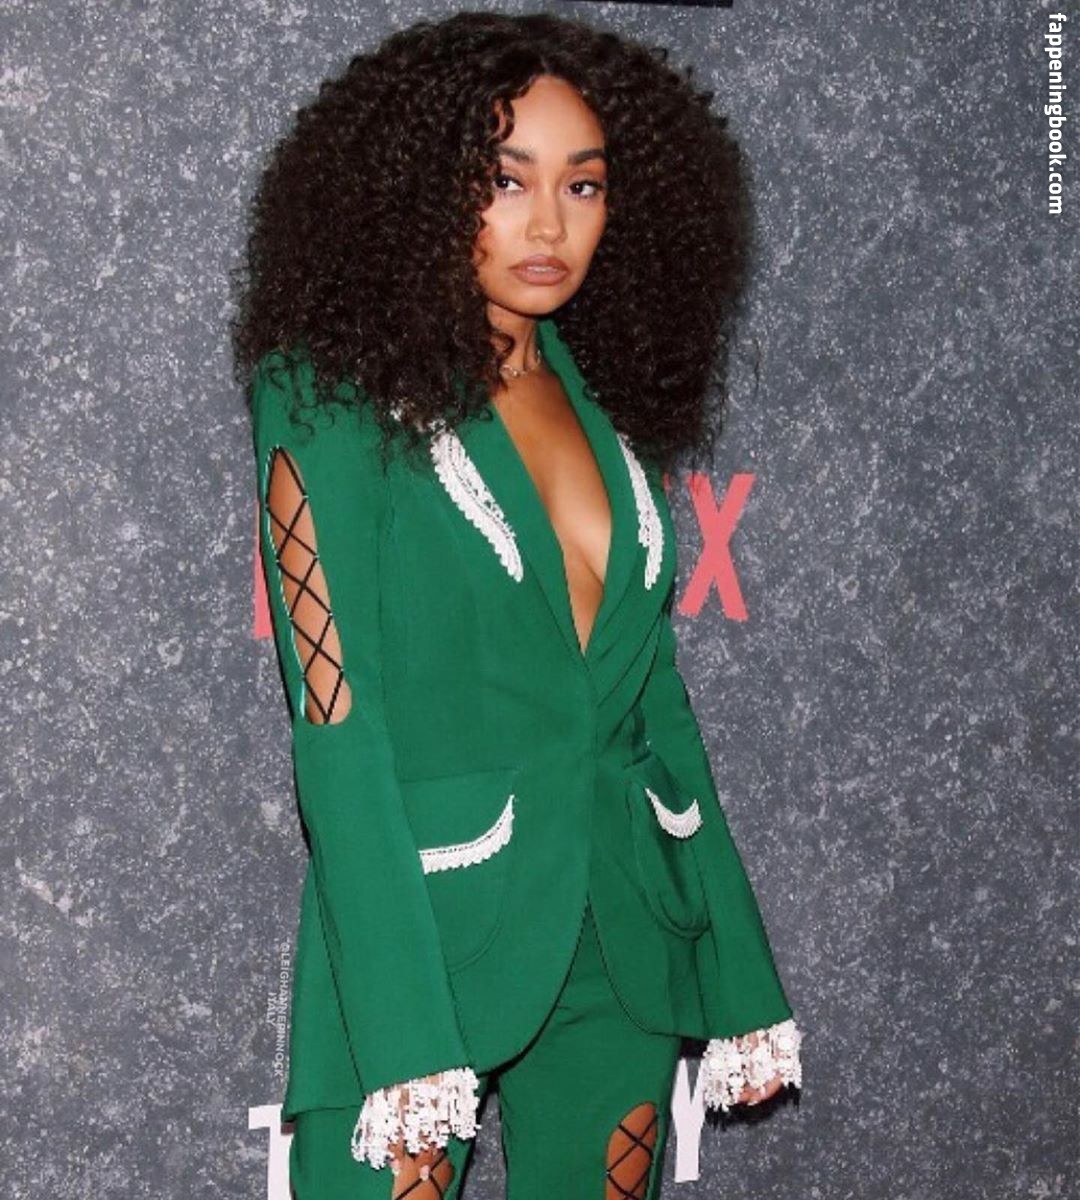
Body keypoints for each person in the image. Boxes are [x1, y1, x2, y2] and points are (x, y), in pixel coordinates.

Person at [231, 11, 803, 1199]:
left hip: (626, 942)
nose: (550, 223)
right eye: (505, 179)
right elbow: (337, 728)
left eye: (582, 184)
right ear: (418, 191)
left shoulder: (607, 398)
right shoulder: (328, 396)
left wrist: (739, 976)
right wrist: (400, 1035)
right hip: (426, 940)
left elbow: (653, 710)